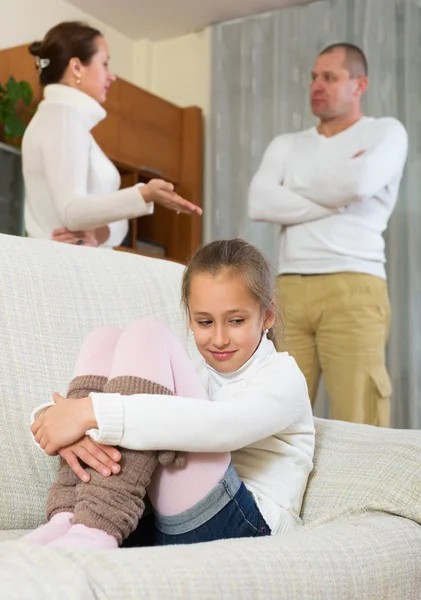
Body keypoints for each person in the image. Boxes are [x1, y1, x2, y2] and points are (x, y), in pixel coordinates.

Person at [26, 238, 314, 549]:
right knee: (105, 339)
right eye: (204, 321)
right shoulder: (193, 368)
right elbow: (147, 414)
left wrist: (89, 413)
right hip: (164, 517)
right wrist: (50, 418)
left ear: (267, 316)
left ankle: (97, 528)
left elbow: (221, 427)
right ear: (190, 318)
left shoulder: (283, 377)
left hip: (247, 524)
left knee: (148, 334)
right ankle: (68, 518)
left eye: (236, 321)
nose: (219, 338)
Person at [248, 42, 408, 427]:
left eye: (330, 77)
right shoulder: (287, 143)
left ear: (360, 84)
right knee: (279, 418)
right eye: (313, 77)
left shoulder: (386, 132)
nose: (317, 85)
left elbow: (360, 181)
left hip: (355, 287)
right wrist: (337, 196)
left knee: (361, 418)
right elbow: (259, 202)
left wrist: (295, 185)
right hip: (288, 290)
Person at [23, 21, 201, 249]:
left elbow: (89, 222)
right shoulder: (62, 117)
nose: (112, 76)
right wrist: (144, 193)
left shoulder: (63, 119)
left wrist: (94, 235)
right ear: (77, 67)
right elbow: (72, 211)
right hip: (64, 267)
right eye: (105, 64)